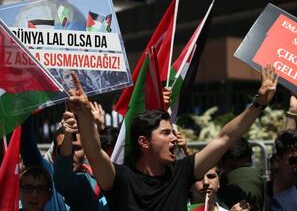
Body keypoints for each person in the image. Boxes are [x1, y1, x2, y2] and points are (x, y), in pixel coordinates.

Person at [65, 65, 278, 210]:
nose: (174, 139)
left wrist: (258, 104)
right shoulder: (120, 178)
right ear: (144, 142)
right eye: (165, 133)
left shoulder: (182, 173)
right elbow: (94, 152)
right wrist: (84, 113)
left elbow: (224, 138)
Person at [54, 111, 109, 211]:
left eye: (77, 148)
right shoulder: (46, 178)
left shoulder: (91, 181)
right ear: (55, 153)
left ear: (86, 152)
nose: (71, 154)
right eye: (65, 148)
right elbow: (63, 180)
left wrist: (97, 129)